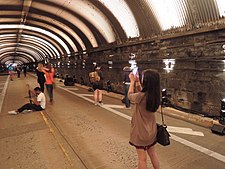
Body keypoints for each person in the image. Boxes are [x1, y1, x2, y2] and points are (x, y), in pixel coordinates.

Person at [128, 69, 160, 169]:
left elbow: (129, 96)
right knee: (153, 154)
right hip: (151, 131)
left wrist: (132, 82)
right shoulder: (156, 95)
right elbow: (143, 92)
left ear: (146, 81)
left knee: (142, 159)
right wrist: (137, 82)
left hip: (140, 132)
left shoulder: (140, 97)